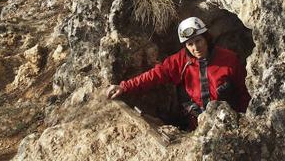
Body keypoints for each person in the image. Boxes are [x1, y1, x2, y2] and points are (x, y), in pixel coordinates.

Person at [106, 17, 251, 128]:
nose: (196, 47)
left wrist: (244, 119)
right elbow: (155, 75)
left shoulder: (229, 60)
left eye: (199, 40)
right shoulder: (180, 60)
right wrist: (124, 87)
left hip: (226, 120)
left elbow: (243, 92)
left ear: (206, 38)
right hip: (195, 123)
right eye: (190, 44)